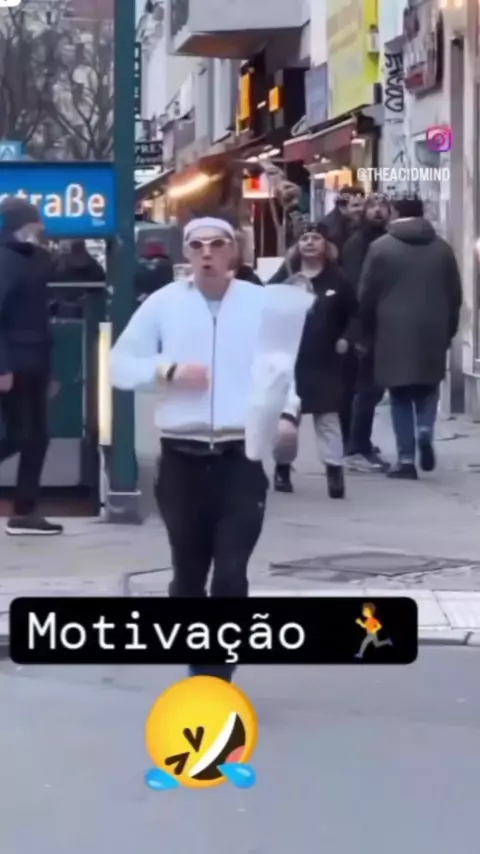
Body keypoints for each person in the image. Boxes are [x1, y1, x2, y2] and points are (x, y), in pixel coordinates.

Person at [109, 216, 300, 682]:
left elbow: (281, 368)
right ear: (187, 253)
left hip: (241, 455)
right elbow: (120, 364)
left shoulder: (259, 302)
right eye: (198, 245)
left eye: (217, 244)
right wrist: (169, 371)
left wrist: (288, 415)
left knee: (231, 573)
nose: (208, 253)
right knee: (189, 576)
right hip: (182, 456)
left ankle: (218, 677)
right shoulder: (164, 303)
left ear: (233, 251)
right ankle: (198, 666)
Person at [358, 196, 462, 479]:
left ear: (394, 212)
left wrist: (366, 331)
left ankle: (406, 460)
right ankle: (425, 428)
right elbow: (455, 294)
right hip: (433, 326)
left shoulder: (381, 248)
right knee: (428, 388)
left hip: (391, 328)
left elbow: (367, 294)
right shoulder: (442, 249)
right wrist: (449, 328)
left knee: (400, 395)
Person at [271, 223, 357, 497]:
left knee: (328, 419)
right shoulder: (285, 277)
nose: (309, 242)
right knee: (287, 421)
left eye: (315, 238)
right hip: (291, 360)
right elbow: (266, 305)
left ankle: (334, 472)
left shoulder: (338, 280)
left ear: (325, 246)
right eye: (304, 238)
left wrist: (346, 338)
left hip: (325, 361)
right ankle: (282, 469)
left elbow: (355, 315)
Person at [0, 198, 63, 535]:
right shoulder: (6, 261)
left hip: (34, 362)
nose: (42, 227)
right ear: (21, 226)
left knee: (34, 437)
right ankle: (24, 511)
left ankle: (25, 511)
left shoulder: (33, 260)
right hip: (16, 363)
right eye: (36, 223)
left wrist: (50, 371)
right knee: (22, 435)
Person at [342, 194, 391, 472]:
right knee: (366, 388)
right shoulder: (358, 243)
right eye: (372, 207)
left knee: (371, 388)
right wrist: (359, 331)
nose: (378, 211)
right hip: (364, 325)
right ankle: (356, 447)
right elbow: (356, 288)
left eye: (382, 206)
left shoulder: (382, 240)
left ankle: (360, 442)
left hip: (378, 324)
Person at [322, 185, 365, 258]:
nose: (361, 209)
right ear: (342, 207)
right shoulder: (330, 228)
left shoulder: (355, 221)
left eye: (363, 205)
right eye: (356, 205)